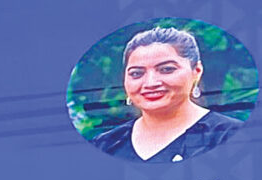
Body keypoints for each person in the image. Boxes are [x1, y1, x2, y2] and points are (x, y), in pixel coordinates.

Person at [92, 27, 243, 163]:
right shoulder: (106, 144)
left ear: (196, 71)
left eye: (166, 69)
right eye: (137, 73)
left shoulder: (229, 135)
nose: (150, 83)